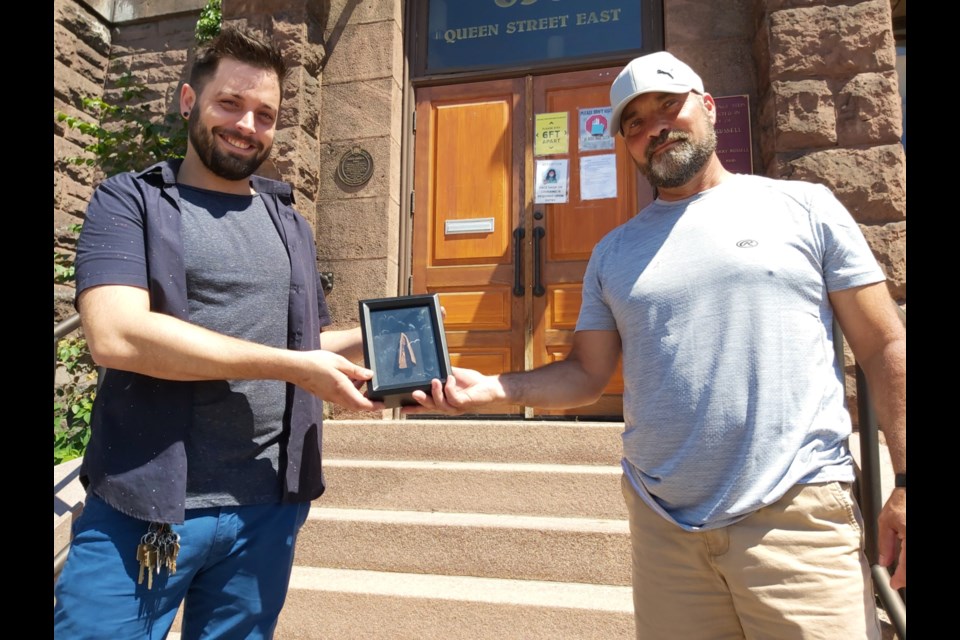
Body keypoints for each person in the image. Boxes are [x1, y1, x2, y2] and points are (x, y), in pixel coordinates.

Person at [408, 51, 906, 639]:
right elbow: (586, 375)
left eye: (668, 105)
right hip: (665, 534)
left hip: (795, 522)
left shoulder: (803, 207)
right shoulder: (613, 252)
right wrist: (493, 387)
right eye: (634, 122)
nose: (654, 128)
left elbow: (882, 345)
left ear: (708, 106)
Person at [53, 27, 384, 639]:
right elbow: (118, 336)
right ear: (188, 100)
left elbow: (306, 348)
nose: (247, 125)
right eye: (229, 104)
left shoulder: (291, 224)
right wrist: (291, 366)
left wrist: (391, 341)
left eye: (265, 114)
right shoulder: (130, 202)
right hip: (142, 510)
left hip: (265, 512)